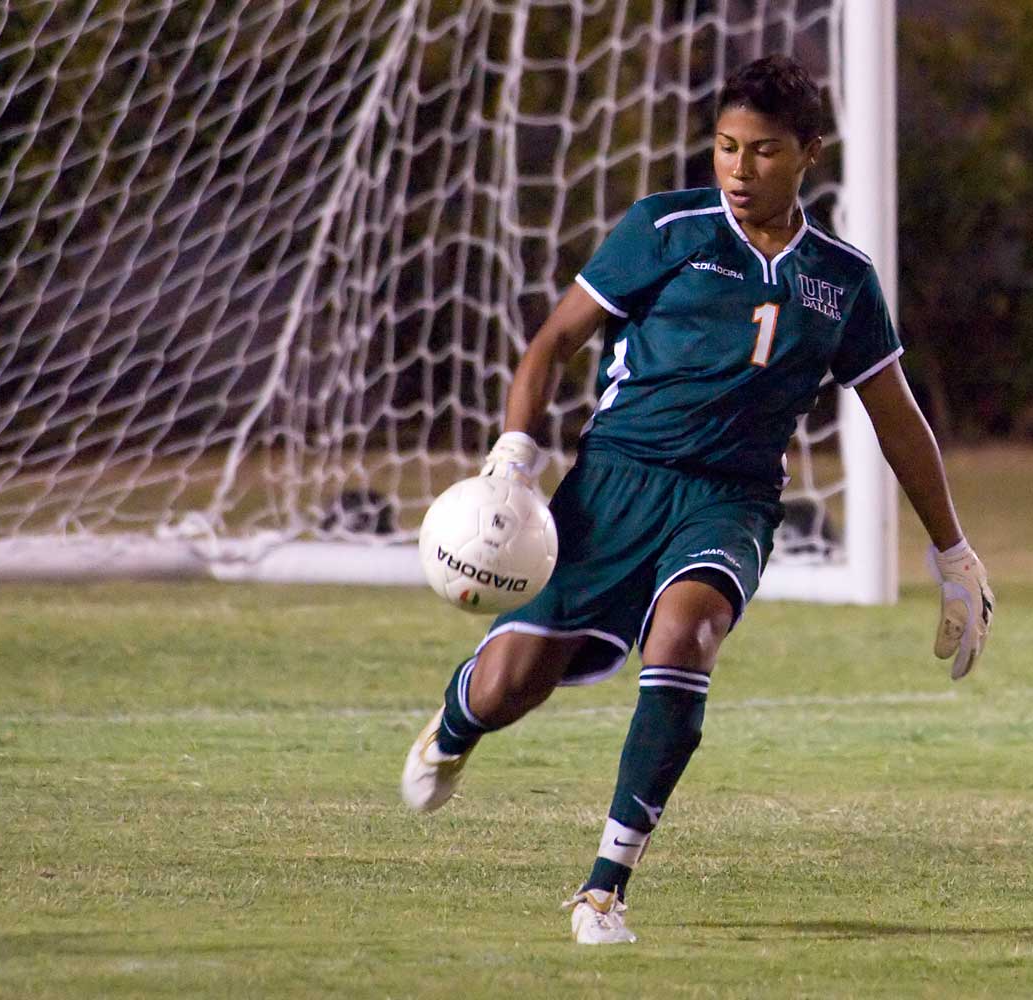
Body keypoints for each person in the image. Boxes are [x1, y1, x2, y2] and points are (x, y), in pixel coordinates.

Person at [400, 54, 994, 946]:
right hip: (613, 483)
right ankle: (454, 726)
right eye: (725, 147)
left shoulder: (841, 279)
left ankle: (605, 889)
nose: (739, 169)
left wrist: (953, 551)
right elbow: (554, 342)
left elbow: (896, 417)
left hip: (731, 501)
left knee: (685, 637)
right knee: (511, 684)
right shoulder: (665, 229)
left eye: (763, 151)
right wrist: (515, 456)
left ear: (810, 153)